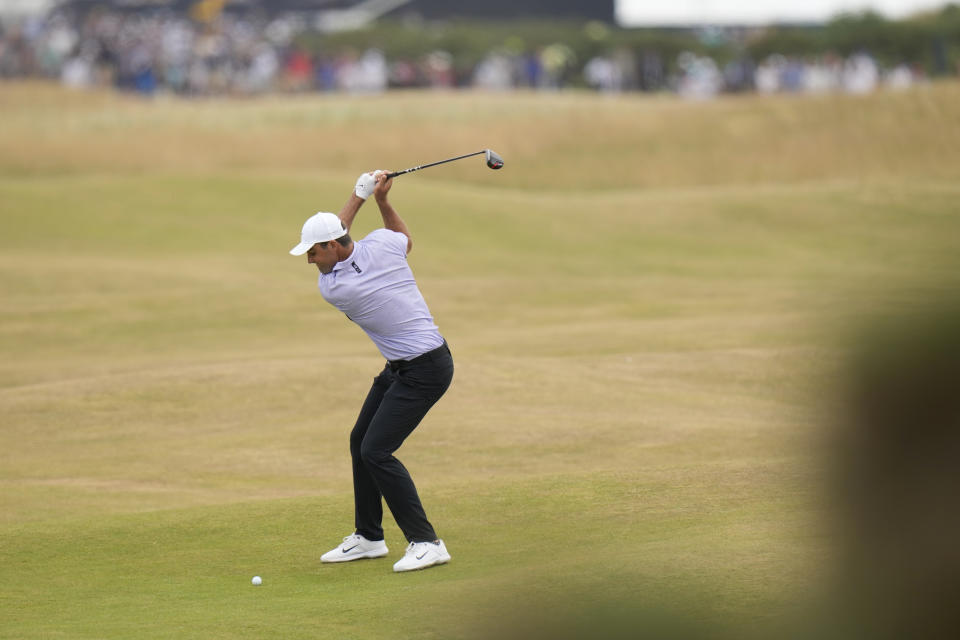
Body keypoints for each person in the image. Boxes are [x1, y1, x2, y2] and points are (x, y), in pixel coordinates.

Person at [289, 170, 454, 573]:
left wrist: (360, 196)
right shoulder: (381, 246)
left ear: (330, 246)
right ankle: (369, 537)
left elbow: (346, 231)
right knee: (360, 440)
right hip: (402, 366)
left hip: (426, 368)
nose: (310, 260)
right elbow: (405, 240)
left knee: (376, 451)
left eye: (313, 252)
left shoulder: (336, 287)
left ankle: (426, 541)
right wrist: (379, 201)